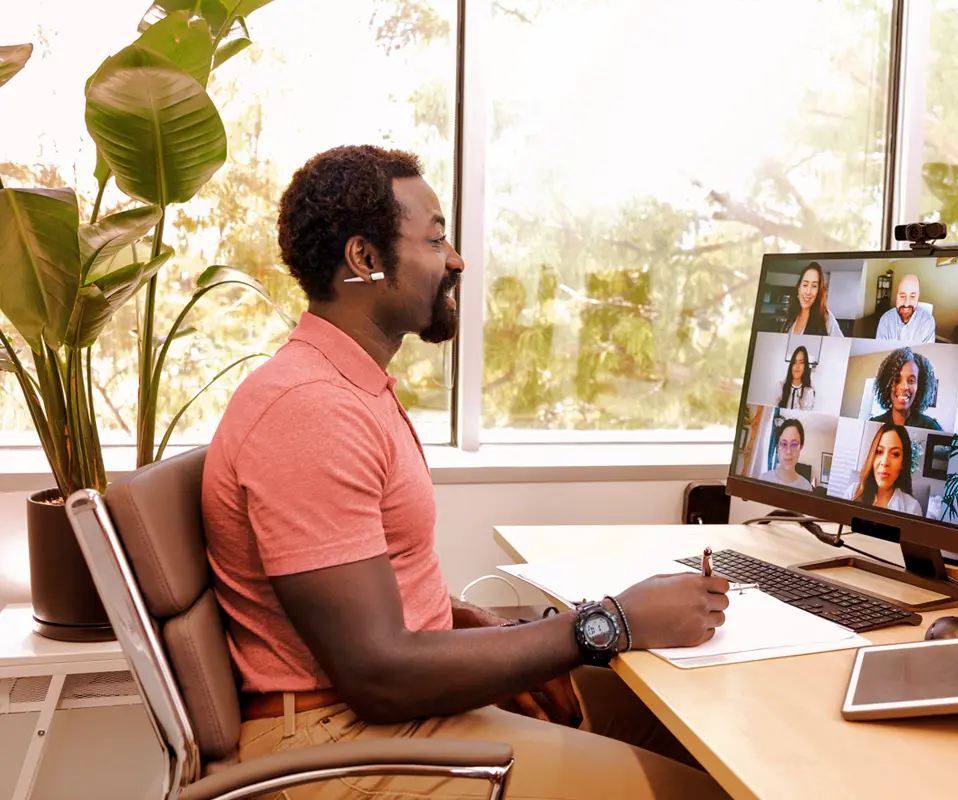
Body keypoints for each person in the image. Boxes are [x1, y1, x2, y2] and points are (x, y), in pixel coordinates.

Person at [200, 145, 733, 800]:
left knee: (691, 732)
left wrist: (460, 619)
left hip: (382, 714)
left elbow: (362, 593)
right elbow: (377, 671)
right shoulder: (310, 412)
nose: (455, 260)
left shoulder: (342, 385)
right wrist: (610, 622)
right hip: (338, 738)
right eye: (435, 238)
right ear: (365, 260)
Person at [845, 422, 923, 515]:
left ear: (903, 463)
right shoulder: (853, 492)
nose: (885, 462)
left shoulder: (912, 508)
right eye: (879, 451)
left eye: (895, 454)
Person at [868, 347, 943, 430]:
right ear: (887, 384)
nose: (904, 387)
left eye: (911, 380)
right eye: (897, 379)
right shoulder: (873, 425)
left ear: (920, 387)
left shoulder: (931, 428)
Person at [782, 263, 843, 337]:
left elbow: (839, 346)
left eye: (814, 286)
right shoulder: (792, 315)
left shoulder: (826, 318)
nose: (808, 292)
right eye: (805, 285)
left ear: (818, 291)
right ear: (799, 288)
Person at [875, 274, 936, 343]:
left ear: (918, 298)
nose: (906, 304)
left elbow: (927, 351)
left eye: (912, 296)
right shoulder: (885, 320)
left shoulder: (927, 322)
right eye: (902, 296)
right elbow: (880, 350)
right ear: (896, 297)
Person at [757, 418, 813, 490]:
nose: (788, 451)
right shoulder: (763, 479)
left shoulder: (806, 487)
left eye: (794, 444)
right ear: (777, 448)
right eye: (784, 444)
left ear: (800, 448)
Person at [778, 346, 816, 411]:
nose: (797, 366)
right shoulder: (780, 386)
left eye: (801, 362)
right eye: (795, 362)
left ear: (805, 366)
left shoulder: (809, 392)